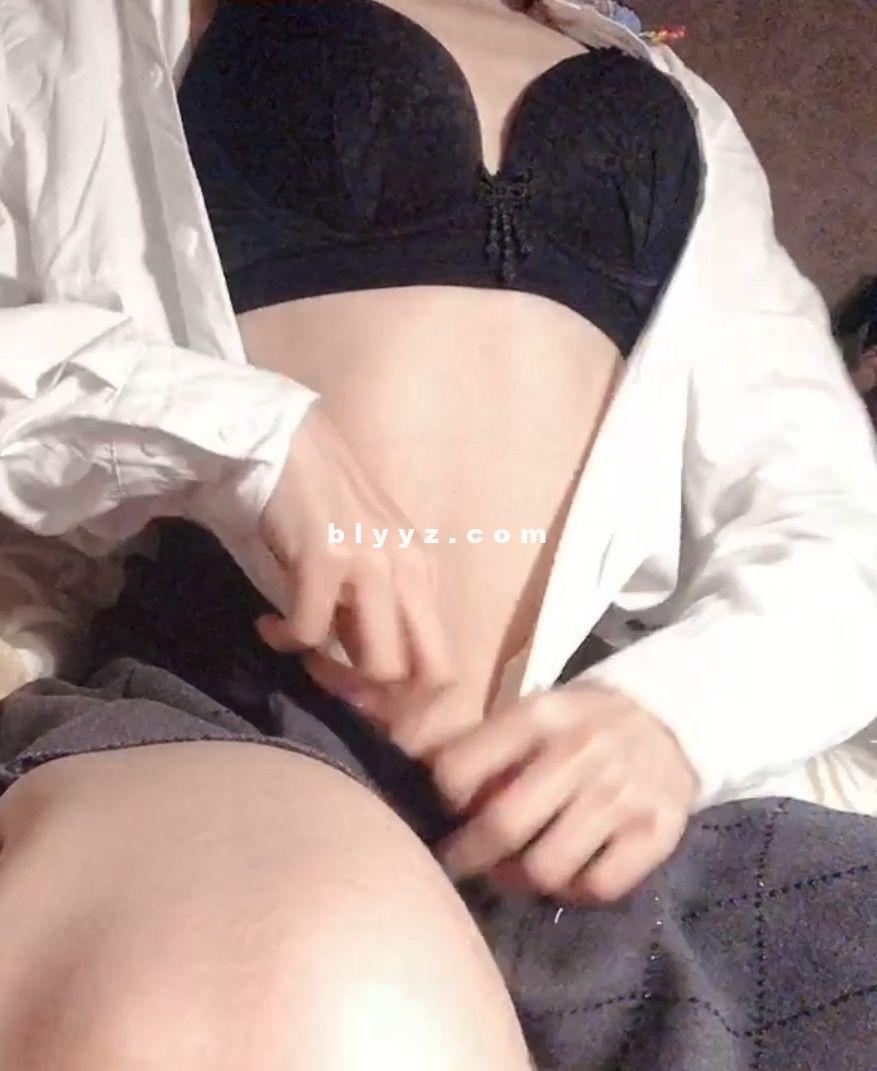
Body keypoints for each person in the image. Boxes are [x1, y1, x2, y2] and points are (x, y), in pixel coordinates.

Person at [0, 1, 875, 1067]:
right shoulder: (91, 20)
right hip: (224, 713)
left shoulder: (683, 109)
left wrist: (674, 716)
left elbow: (825, 517)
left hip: (564, 810)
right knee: (330, 981)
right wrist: (244, 437)